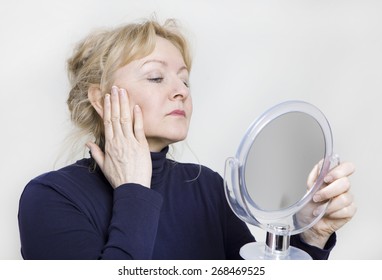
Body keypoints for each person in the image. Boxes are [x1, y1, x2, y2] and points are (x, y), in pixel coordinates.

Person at [18, 18, 356, 260]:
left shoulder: (207, 188)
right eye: (155, 76)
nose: (180, 91)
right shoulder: (51, 198)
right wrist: (134, 190)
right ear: (100, 97)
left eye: (185, 81)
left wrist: (310, 237)